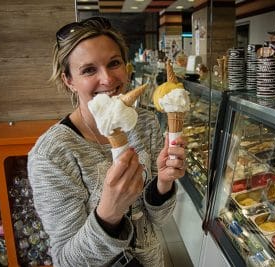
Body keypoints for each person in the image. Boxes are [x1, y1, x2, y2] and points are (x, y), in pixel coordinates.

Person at [27, 16, 186, 267]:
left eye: (114, 63)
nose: (108, 80)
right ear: (69, 80)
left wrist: (163, 184)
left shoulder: (145, 123)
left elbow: (159, 220)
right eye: (89, 70)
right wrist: (109, 212)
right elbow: (68, 261)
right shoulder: (51, 154)